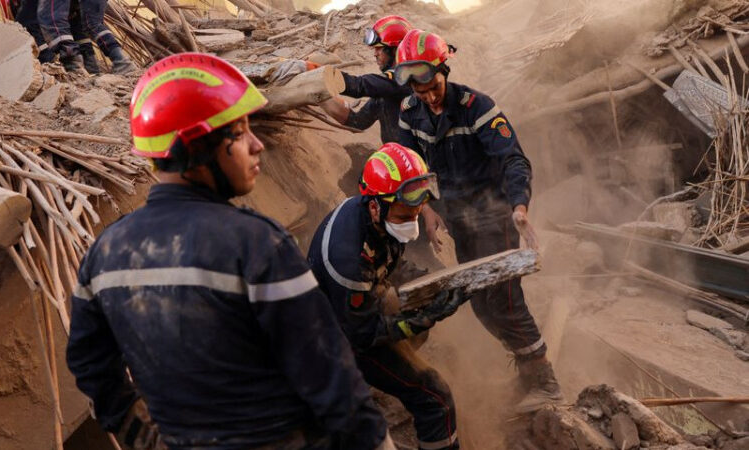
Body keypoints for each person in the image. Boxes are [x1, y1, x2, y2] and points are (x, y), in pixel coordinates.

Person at [66, 53, 392, 449]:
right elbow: (328, 372)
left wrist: (140, 437)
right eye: (238, 132)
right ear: (198, 148)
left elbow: (88, 363)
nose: (256, 145)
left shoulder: (104, 253)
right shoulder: (255, 244)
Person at [392, 29, 562, 413]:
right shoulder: (410, 113)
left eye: (432, 86)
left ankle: (546, 382)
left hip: (494, 215)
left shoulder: (476, 106)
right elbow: (411, 169)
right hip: (457, 220)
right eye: (419, 91)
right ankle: (525, 372)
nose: (428, 96)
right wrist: (428, 210)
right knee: (480, 304)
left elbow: (513, 159)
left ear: (444, 71)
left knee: (504, 301)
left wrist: (519, 206)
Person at [308, 143, 462, 450]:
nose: (412, 223)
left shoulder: (374, 217)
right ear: (376, 205)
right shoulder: (347, 259)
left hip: (356, 314)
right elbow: (364, 335)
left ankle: (371, 382)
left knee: (415, 309)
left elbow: (392, 261)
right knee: (435, 397)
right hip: (335, 340)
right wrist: (426, 316)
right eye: (405, 216)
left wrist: (430, 282)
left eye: (417, 213)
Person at [320, 15, 425, 144]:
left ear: (396, 50)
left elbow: (359, 86)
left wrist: (322, 76)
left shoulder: (405, 79)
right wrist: (321, 96)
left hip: (420, 162)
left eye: (379, 48)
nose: (375, 53)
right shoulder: (386, 92)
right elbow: (357, 122)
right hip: (398, 159)